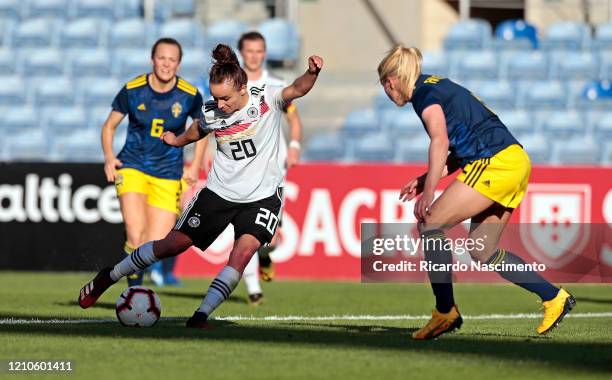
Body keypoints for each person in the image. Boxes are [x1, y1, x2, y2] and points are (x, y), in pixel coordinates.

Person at [79, 44, 324, 328]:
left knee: (242, 254)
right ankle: (108, 276)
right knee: (172, 244)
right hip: (219, 193)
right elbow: (198, 130)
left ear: (243, 88)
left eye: (225, 99)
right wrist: (177, 140)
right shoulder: (211, 111)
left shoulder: (267, 98)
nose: (220, 105)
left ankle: (201, 315)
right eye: (216, 98)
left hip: (263, 196)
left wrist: (312, 72)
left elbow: (298, 88)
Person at [377, 45, 575, 340]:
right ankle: (554, 297)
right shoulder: (438, 86)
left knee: (430, 224)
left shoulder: (423, 95)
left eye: (385, 87)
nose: (388, 93)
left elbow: (440, 142)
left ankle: (445, 312)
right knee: (482, 249)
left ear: (390, 81)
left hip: (495, 163)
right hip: (514, 160)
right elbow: (460, 150)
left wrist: (429, 192)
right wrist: (424, 179)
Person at [101, 37, 206, 288]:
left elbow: (201, 131)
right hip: (133, 165)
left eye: (172, 60)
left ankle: (134, 274)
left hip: (169, 173)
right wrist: (108, 156)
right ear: (152, 59)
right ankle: (134, 291)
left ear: (179, 64)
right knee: (135, 232)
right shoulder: (133, 89)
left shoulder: (190, 95)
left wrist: (194, 165)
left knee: (156, 241)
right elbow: (109, 126)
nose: (166, 64)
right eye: (161, 58)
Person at [235, 31, 304, 305]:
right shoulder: (233, 84)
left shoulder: (276, 84)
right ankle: (254, 290)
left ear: (264, 53)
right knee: (244, 230)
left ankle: (265, 256)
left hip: (274, 168)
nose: (254, 55)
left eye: (259, 50)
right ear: (242, 53)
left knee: (270, 238)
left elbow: (294, 119)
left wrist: (296, 144)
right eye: (249, 50)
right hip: (240, 168)